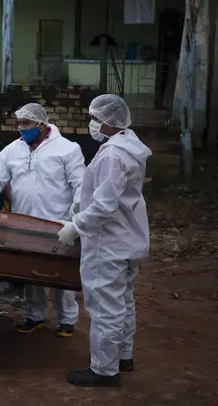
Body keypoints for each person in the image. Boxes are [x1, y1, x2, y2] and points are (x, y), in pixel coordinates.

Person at [0, 103, 85, 338]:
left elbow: (80, 185)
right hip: (24, 222)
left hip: (58, 222)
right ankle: (35, 315)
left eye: (27, 123)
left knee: (60, 273)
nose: (22, 128)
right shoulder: (12, 150)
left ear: (41, 124)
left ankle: (66, 319)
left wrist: (76, 219)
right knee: (30, 272)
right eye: (19, 124)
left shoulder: (67, 149)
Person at [57, 94, 152, 388]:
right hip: (128, 237)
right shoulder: (128, 145)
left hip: (107, 242)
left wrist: (76, 225)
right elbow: (110, 195)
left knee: (104, 307)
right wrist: (81, 205)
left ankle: (104, 370)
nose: (92, 123)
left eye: (95, 118)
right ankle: (123, 355)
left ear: (110, 122)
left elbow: (104, 205)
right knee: (123, 300)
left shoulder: (113, 155)